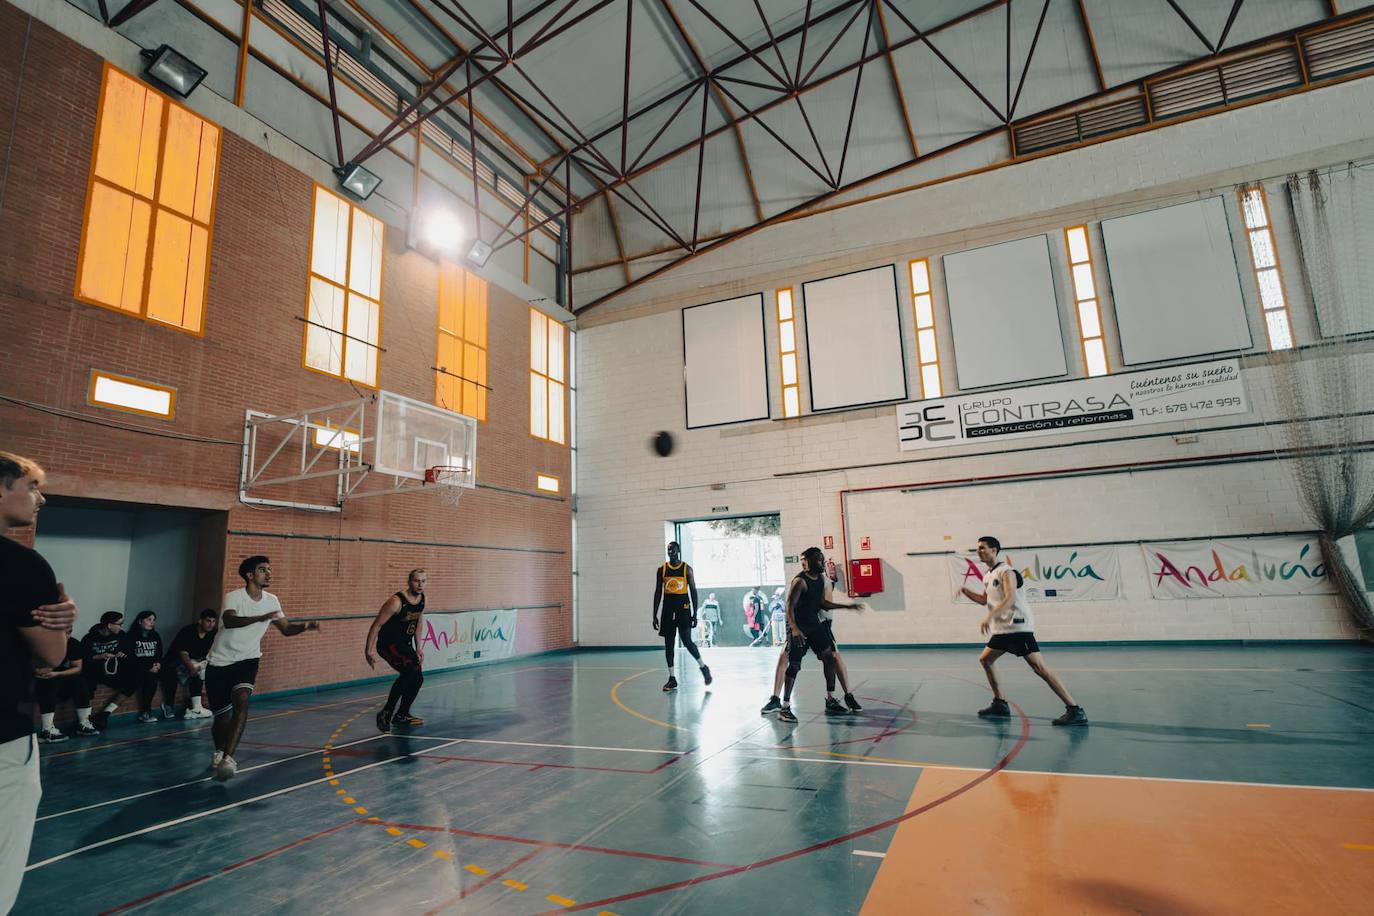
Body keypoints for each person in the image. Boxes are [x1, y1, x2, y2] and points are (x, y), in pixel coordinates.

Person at [1, 451, 79, 912]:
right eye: (31, 486)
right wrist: (64, 621)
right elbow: (52, 655)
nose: (39, 498)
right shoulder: (21, 565)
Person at [206, 555, 320, 781]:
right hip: (219, 661)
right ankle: (219, 750)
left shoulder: (272, 600)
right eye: (262, 570)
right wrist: (262, 617)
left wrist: (305, 626)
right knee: (222, 718)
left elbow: (286, 629)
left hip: (247, 659)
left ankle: (229, 758)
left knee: (242, 700)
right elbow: (230, 621)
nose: (268, 573)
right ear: (249, 575)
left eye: (269, 569)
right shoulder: (234, 597)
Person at [958, 536, 1087, 726]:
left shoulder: (1007, 572)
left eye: (982, 548)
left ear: (994, 550)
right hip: (1003, 629)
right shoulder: (987, 575)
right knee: (986, 660)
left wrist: (990, 616)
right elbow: (984, 600)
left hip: (1017, 626)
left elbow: (1010, 599)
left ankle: (1075, 710)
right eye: (977, 549)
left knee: (1039, 668)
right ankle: (1000, 704)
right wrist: (965, 591)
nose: (979, 551)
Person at [762, 548, 865, 722]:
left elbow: (823, 603)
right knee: (794, 665)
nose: (822, 563)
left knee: (829, 658)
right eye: (818, 560)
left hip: (813, 625)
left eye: (822, 559)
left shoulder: (819, 580)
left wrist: (847, 607)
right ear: (809, 562)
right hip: (798, 627)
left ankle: (830, 699)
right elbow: (789, 606)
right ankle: (784, 708)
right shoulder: (800, 581)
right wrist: (794, 629)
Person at [365, 569, 428, 733]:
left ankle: (402, 714)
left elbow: (418, 621)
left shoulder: (422, 599)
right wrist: (368, 651)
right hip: (388, 644)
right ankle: (386, 712)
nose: (420, 584)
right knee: (409, 671)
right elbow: (376, 625)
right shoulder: (396, 601)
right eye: (416, 581)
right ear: (409, 582)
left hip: (404, 645)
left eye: (423, 581)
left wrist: (419, 647)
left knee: (418, 678)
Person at [651, 542, 711, 692]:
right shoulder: (662, 570)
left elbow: (693, 591)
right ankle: (672, 678)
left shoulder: (686, 569)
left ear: (678, 551)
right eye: (668, 549)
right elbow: (658, 592)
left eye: (673, 549)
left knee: (687, 641)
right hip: (668, 609)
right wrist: (654, 614)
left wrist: (694, 614)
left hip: (683, 607)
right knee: (669, 643)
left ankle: (703, 667)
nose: (670, 551)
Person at [33, 631, 97, 742]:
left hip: (56, 675)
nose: (65, 636)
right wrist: (37, 671)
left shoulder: (72, 643)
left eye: (68, 633)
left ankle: (83, 724)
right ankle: (47, 730)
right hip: (35, 679)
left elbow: (77, 668)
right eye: (62, 633)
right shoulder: (38, 643)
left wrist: (56, 673)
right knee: (48, 683)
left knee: (80, 681)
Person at [160, 608, 217, 720]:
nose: (211, 624)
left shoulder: (213, 633)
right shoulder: (188, 631)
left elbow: (212, 651)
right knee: (171, 675)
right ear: (200, 621)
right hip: (174, 660)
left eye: (213, 621)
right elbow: (183, 653)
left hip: (195, 660)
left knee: (199, 673)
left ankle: (196, 707)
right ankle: (168, 705)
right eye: (208, 621)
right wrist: (191, 667)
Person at [82, 612, 135, 731]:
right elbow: (82, 658)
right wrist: (98, 656)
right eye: (119, 624)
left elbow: (128, 651)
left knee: (134, 680)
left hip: (113, 669)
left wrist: (121, 653)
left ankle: (105, 713)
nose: (121, 627)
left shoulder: (121, 635)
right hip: (94, 670)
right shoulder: (89, 638)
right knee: (87, 684)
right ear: (109, 625)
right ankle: (86, 720)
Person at [125, 610, 164, 724]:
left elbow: (159, 652)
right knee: (147, 677)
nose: (152, 622)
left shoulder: (155, 635)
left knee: (154, 678)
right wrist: (148, 667)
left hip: (152, 667)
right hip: (136, 667)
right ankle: (145, 712)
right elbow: (131, 656)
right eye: (149, 620)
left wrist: (158, 663)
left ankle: (147, 712)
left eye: (153, 620)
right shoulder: (131, 636)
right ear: (140, 621)